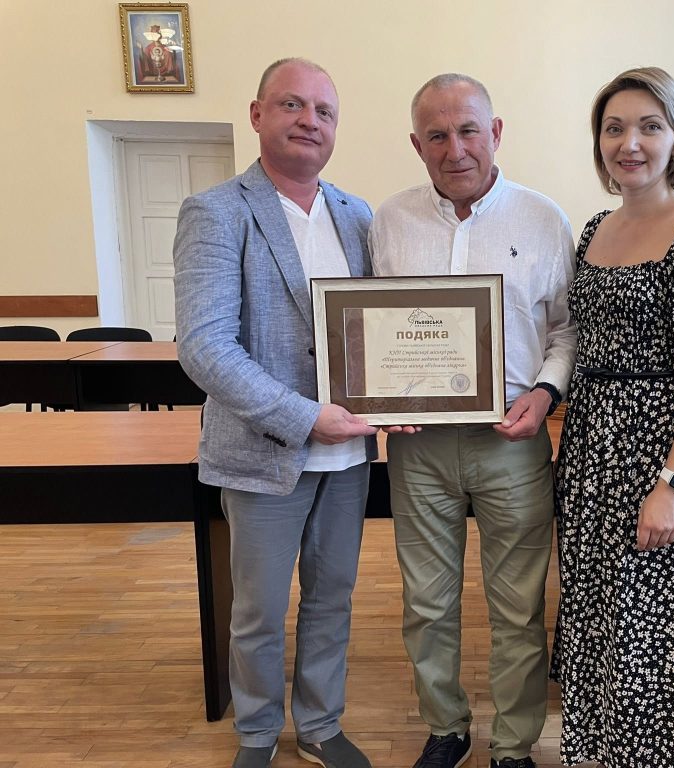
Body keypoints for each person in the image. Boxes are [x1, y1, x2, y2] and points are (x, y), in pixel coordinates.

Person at [173, 58, 380, 768]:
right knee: (258, 610)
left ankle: (319, 724)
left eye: (324, 111)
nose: (309, 121)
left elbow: (379, 331)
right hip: (263, 451)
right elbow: (204, 347)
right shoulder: (217, 211)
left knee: (332, 598)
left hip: (347, 456)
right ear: (258, 114)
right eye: (292, 104)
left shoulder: (358, 215)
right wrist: (302, 417)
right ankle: (258, 734)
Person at [369, 73, 577, 768]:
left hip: (512, 442)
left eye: (467, 130)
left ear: (496, 132)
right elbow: (369, 328)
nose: (454, 149)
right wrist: (377, 395)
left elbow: (566, 330)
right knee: (426, 602)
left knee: (518, 606)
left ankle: (513, 745)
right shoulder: (389, 221)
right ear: (416, 144)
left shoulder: (543, 219)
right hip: (418, 447)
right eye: (437, 135)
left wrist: (545, 394)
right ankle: (447, 728)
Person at [550, 67, 674, 768]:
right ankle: (599, 752)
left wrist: (672, 486)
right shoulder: (595, 229)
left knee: (658, 630)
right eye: (614, 128)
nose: (628, 143)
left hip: (660, 456)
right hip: (591, 455)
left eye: (648, 126)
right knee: (599, 619)